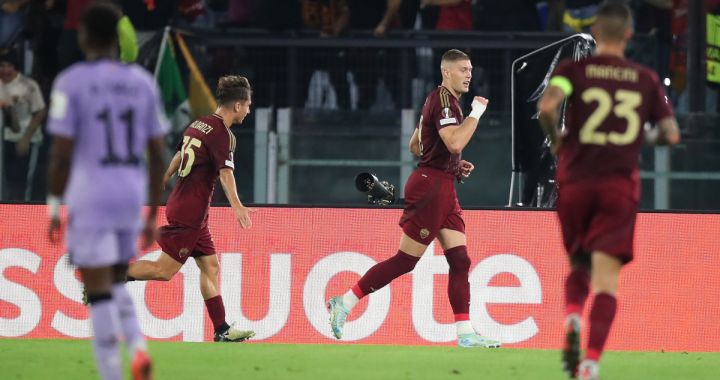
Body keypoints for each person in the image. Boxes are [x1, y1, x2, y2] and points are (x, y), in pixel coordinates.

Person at [537, 3, 680, 379]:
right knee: (606, 281)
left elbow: (547, 107)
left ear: (595, 31)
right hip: (617, 186)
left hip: (575, 182)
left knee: (579, 264)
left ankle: (571, 317)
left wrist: (557, 140)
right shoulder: (645, 79)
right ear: (629, 34)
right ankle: (590, 363)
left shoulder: (572, 72)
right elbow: (670, 134)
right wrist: (638, 137)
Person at [328, 49, 501, 349]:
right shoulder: (447, 103)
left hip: (443, 184)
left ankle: (466, 333)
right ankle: (344, 301)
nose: (469, 74)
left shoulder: (437, 100)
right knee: (405, 261)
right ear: (446, 72)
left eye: (471, 69)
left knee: (460, 260)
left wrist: (452, 164)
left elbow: (415, 145)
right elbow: (455, 140)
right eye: (463, 69)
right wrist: (476, 113)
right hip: (431, 188)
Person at [46, 2, 167, 379]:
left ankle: (112, 373)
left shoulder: (70, 82)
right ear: (118, 37)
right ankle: (139, 347)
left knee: (96, 289)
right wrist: (151, 212)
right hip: (129, 193)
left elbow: (61, 154)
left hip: (91, 193)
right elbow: (159, 153)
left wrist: (53, 206)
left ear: (84, 36)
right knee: (116, 279)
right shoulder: (143, 83)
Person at [125, 75, 256, 343]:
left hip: (187, 207)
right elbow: (225, 174)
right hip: (191, 212)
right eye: (248, 105)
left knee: (210, 266)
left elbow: (179, 155)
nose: (249, 110)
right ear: (238, 106)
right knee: (164, 271)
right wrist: (238, 206)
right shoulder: (223, 135)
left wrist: (165, 175)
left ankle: (222, 329)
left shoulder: (199, 124)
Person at [0, 51, 46, 200]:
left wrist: (26, 139)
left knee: (23, 182)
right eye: (2, 66)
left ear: (16, 67)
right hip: (3, 140)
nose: (6, 70)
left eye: (9, 66)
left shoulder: (28, 85)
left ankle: (23, 216)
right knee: (5, 182)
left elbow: (40, 111)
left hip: (25, 140)